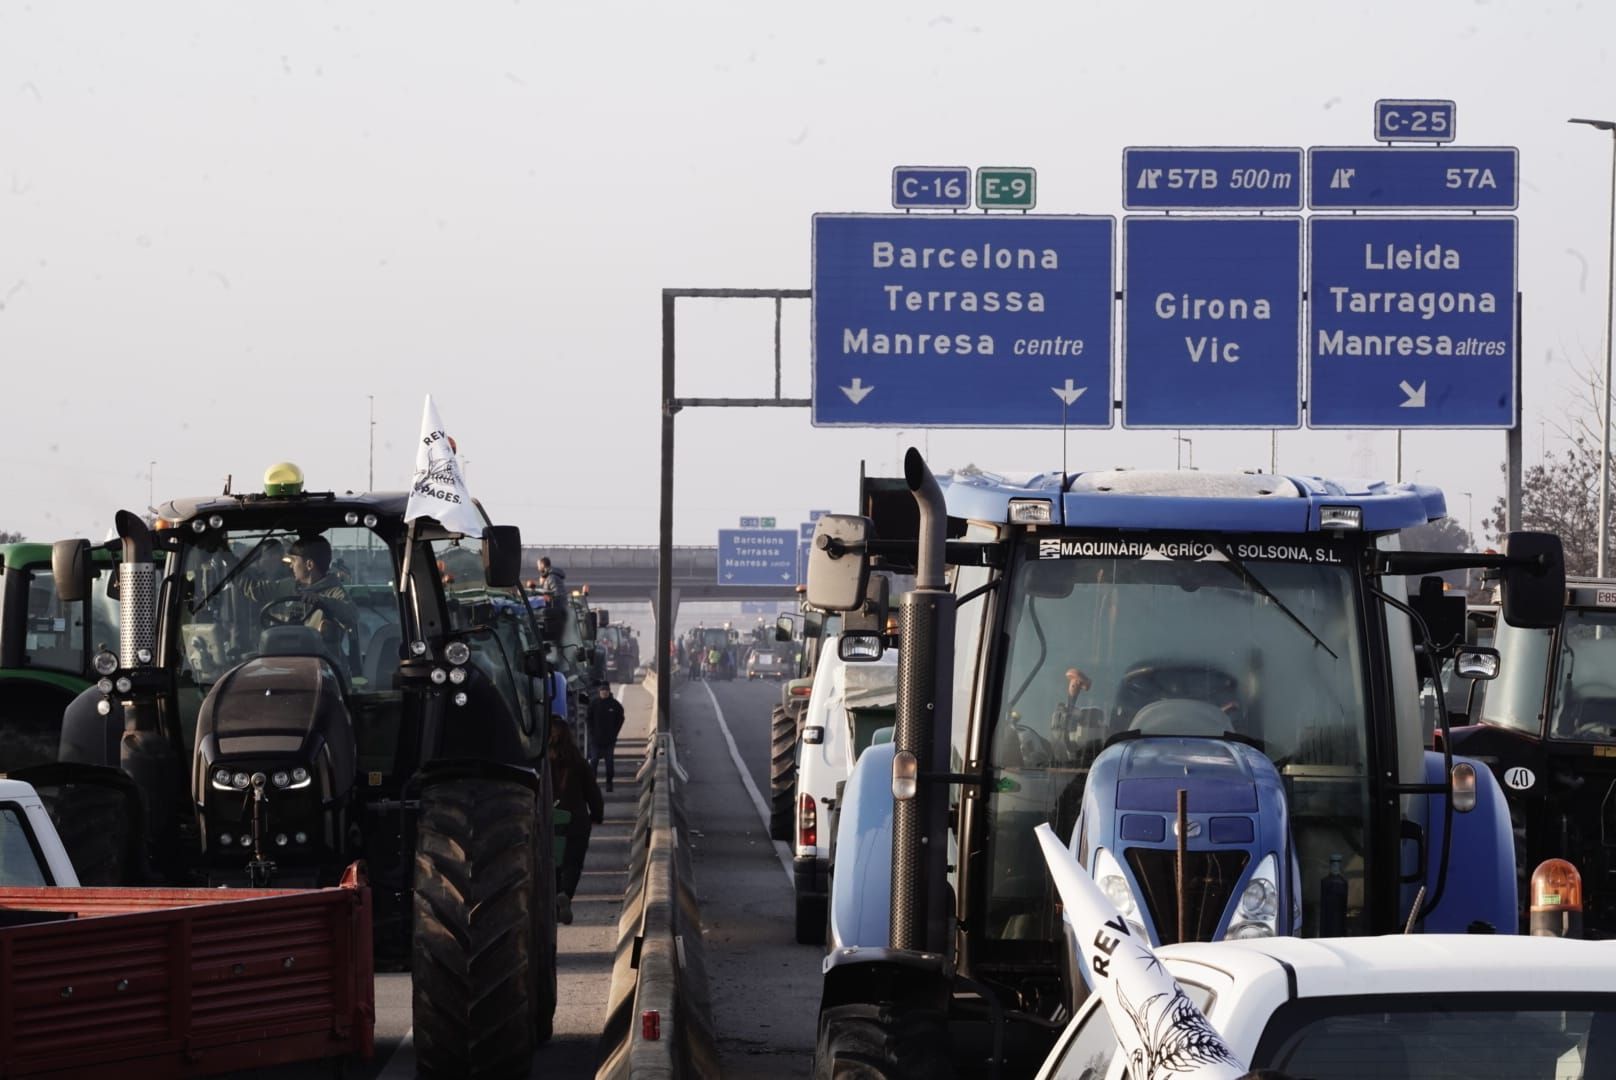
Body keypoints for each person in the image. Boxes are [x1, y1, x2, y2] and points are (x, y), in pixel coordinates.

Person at [549, 720, 603, 925]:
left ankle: (554, 899)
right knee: (573, 862)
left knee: (551, 862)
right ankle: (566, 895)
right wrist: (597, 815)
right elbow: (592, 792)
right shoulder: (578, 761)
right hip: (576, 820)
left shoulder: (541, 762)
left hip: (549, 820)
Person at [586, 682, 626, 791]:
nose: (604, 692)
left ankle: (609, 783)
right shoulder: (594, 704)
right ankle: (592, 784)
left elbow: (621, 718)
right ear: (599, 692)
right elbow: (588, 719)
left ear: (609, 692)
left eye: (606, 691)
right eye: (602, 691)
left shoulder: (615, 705)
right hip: (595, 740)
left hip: (609, 740)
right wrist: (591, 732)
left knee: (609, 762)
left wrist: (615, 732)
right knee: (593, 761)